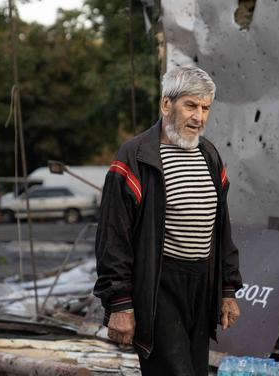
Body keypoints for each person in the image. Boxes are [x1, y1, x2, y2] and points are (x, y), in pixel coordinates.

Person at [94, 65, 243, 376]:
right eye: (190, 105)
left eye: (205, 108)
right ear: (166, 104)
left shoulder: (209, 155)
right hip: (159, 284)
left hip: (201, 285)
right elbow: (113, 238)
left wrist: (227, 290)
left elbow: (222, 228)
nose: (199, 117)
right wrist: (119, 303)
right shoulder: (135, 157)